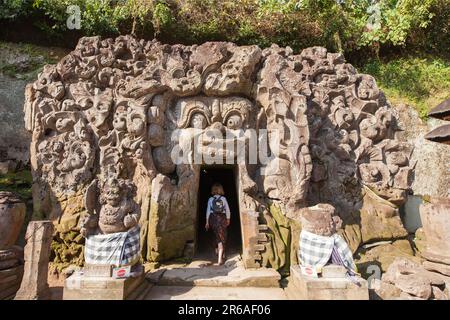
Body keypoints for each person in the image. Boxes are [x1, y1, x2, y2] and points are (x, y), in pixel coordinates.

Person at [205, 183, 231, 265]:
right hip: (222, 218)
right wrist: (228, 219)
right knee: (222, 236)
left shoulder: (210, 199)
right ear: (221, 190)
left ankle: (217, 249)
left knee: (216, 235)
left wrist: (207, 222)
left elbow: (208, 211)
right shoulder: (223, 199)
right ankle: (220, 258)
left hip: (213, 218)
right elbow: (227, 210)